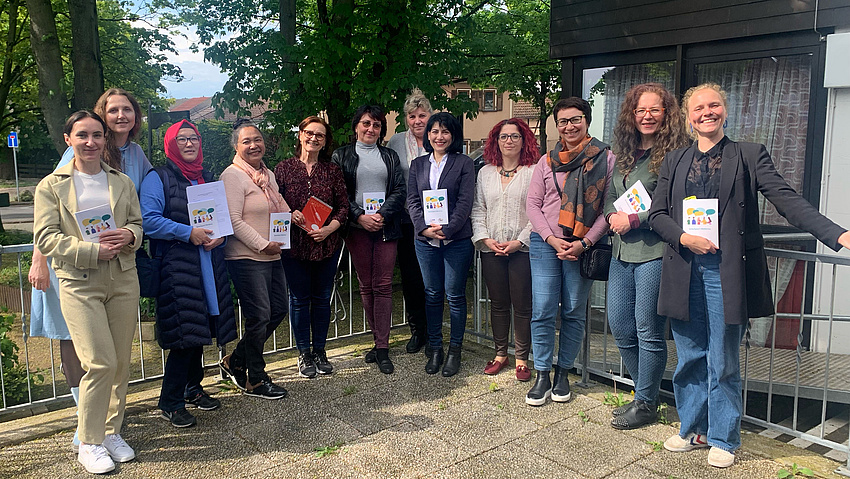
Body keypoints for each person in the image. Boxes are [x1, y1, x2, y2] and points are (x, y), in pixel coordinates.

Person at [648, 83, 850, 468]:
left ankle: (724, 436)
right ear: (688, 117)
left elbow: (787, 199)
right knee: (690, 355)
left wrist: (836, 233)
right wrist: (685, 237)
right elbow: (658, 215)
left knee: (722, 357)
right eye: (699, 108)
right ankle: (691, 427)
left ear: (725, 110)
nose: (707, 113)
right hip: (684, 268)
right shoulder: (674, 160)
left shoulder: (748, 155)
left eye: (714, 105)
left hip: (726, 272)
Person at [28, 88, 151, 453]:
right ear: (69, 140)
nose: (91, 141)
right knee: (99, 362)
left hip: (123, 277)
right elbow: (47, 238)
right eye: (82, 135)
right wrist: (90, 251)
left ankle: (111, 432)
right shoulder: (52, 186)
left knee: (120, 364)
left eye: (96, 134)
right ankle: (88, 440)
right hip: (79, 280)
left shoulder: (121, 181)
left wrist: (130, 233)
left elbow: (139, 225)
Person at [140, 120, 237, 428]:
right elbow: (148, 220)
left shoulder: (206, 177)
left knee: (200, 329)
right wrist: (187, 232)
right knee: (184, 336)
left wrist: (221, 234)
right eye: (181, 139)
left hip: (209, 264)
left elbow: (219, 216)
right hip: (179, 267)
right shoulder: (159, 177)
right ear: (171, 144)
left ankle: (193, 389)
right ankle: (170, 402)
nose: (189, 143)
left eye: (193, 138)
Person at [604, 83, 689, 429]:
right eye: (640, 110)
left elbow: (677, 205)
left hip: (654, 253)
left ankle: (645, 402)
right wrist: (612, 215)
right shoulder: (626, 153)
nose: (647, 116)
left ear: (666, 113)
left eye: (654, 110)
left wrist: (634, 219)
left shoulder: (676, 155)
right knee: (621, 326)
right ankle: (645, 394)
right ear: (631, 115)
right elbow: (612, 194)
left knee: (648, 330)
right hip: (621, 253)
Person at [525, 97, 614, 406]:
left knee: (574, 310)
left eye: (575, 119)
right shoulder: (546, 161)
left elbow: (608, 209)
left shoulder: (606, 158)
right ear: (556, 125)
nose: (569, 126)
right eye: (563, 121)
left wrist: (584, 242)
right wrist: (550, 238)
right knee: (544, 309)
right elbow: (533, 204)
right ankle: (542, 374)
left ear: (586, 121)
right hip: (546, 244)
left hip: (583, 246)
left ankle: (564, 372)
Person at [219, 119, 290, 399]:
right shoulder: (232, 176)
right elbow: (233, 220)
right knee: (259, 316)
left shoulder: (266, 175)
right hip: (246, 257)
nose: (253, 145)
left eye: (257, 139)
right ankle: (256, 379)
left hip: (272, 254)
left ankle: (235, 360)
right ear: (236, 146)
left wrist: (293, 216)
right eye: (246, 141)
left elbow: (278, 203)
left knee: (278, 310)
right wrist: (263, 245)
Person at [333, 105, 406, 375]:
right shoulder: (341, 156)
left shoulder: (389, 156)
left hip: (386, 226)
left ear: (381, 130)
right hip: (356, 227)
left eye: (376, 125)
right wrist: (360, 216)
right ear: (356, 126)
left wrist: (381, 215)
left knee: (384, 284)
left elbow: (399, 189)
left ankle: (383, 348)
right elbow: (339, 193)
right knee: (366, 286)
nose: (370, 129)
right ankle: (378, 341)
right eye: (366, 123)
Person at [275, 116, 348, 378]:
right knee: (298, 299)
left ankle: (320, 350)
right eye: (310, 133)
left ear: (326, 141)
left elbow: (344, 206)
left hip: (326, 245)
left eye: (320, 135)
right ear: (300, 134)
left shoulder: (332, 171)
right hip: (294, 246)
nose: (314, 138)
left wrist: (330, 228)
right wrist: (288, 212)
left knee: (321, 300)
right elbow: (273, 202)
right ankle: (303, 354)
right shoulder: (283, 169)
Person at [407, 112, 475, 377]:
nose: (439, 136)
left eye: (445, 131)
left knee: (455, 295)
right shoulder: (418, 164)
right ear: (428, 135)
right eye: (434, 131)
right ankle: (435, 348)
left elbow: (465, 202)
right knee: (432, 294)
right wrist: (424, 229)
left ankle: (455, 350)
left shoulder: (464, 163)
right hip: (425, 241)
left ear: (453, 135)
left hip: (455, 240)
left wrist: (447, 230)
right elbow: (412, 200)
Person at [471, 118, 538, 381]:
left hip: (521, 249)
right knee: (498, 304)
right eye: (503, 137)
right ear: (495, 141)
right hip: (492, 249)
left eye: (514, 136)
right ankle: (500, 354)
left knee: (522, 305)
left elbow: (538, 211)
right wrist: (486, 239)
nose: (508, 141)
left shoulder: (533, 172)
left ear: (524, 141)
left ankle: (522, 359)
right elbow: (478, 209)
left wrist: (520, 241)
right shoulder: (485, 173)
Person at [386, 88, 431, 354]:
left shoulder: (438, 138)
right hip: (406, 219)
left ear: (430, 116)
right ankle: (417, 331)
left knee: (432, 279)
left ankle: (434, 331)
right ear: (406, 119)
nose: (417, 121)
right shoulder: (396, 141)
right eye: (412, 116)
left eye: (422, 115)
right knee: (412, 278)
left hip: (435, 220)